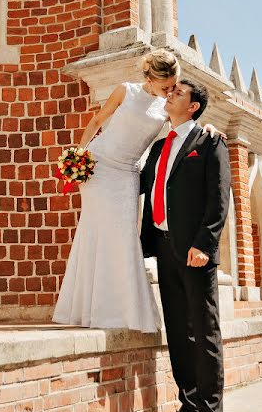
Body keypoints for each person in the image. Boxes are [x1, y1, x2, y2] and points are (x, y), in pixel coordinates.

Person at [52, 50, 220, 333]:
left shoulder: (165, 107)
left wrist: (208, 128)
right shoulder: (125, 91)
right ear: (149, 78)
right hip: (100, 167)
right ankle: (87, 309)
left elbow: (186, 125)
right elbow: (96, 122)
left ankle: (124, 312)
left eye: (174, 87)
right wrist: (77, 157)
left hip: (127, 173)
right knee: (93, 232)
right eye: (165, 87)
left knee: (124, 236)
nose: (170, 93)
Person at [140, 78, 230, 412]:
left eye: (178, 93)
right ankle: (190, 405)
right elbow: (142, 183)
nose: (170, 95)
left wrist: (204, 244)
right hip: (163, 247)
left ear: (193, 106)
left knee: (204, 331)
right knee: (178, 330)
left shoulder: (209, 141)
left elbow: (218, 197)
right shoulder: (161, 145)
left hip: (195, 251)